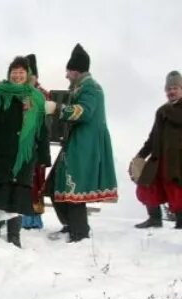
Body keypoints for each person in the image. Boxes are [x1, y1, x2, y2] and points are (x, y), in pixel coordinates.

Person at [45, 44, 118, 242]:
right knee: (53, 185)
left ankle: (79, 233)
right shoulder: (80, 88)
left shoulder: (91, 88)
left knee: (73, 188)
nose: (66, 75)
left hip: (85, 145)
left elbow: (84, 112)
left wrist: (57, 108)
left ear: (76, 71)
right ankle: (71, 226)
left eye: (68, 71)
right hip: (75, 143)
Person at [0, 56, 51, 247]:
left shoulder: (36, 98)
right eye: (14, 72)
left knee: (17, 195)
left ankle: (14, 237)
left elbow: (42, 128)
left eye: (21, 72)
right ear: (9, 74)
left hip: (23, 156)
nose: (17, 75)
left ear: (27, 75)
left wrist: (43, 154)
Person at [130, 70, 182, 229]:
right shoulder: (161, 111)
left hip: (178, 160)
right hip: (160, 159)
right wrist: (139, 156)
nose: (171, 91)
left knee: (176, 191)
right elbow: (153, 138)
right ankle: (154, 219)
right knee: (147, 184)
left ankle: (181, 222)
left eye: (175, 87)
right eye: (169, 88)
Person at [22, 53, 51, 230]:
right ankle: (21, 216)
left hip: (36, 144)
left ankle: (33, 218)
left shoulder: (43, 95)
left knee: (35, 181)